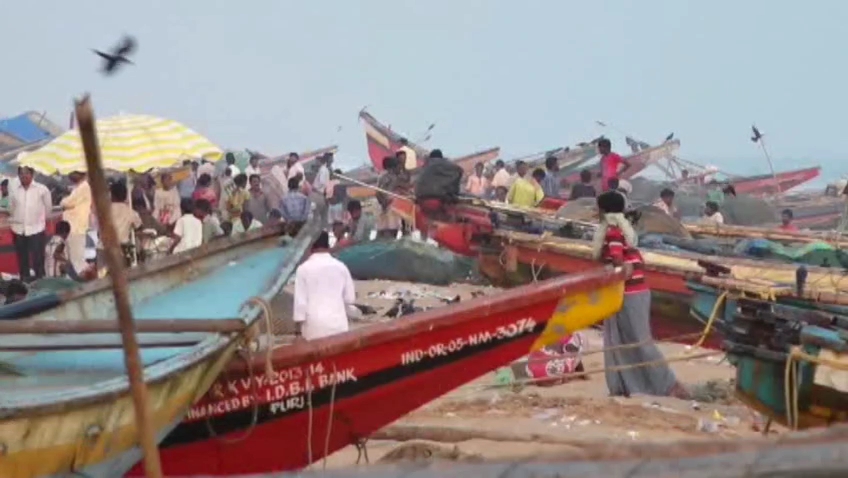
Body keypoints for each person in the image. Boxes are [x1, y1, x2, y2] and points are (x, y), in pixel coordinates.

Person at [592, 190, 688, 399]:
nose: (596, 211)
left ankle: (670, 386)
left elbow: (617, 260)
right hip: (632, 292)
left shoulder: (613, 230)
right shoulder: (622, 228)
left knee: (637, 341)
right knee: (622, 339)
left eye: (598, 207)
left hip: (628, 293)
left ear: (604, 210)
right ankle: (628, 387)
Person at [292, 231, 356, 341]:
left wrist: (298, 333)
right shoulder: (341, 267)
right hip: (338, 325)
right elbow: (350, 299)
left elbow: (300, 304)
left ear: (311, 245)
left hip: (314, 327)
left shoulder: (303, 269)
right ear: (328, 245)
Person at [9, 166, 52, 282]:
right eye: (21, 173)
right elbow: (11, 208)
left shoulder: (42, 189)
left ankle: (41, 284)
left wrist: (41, 222)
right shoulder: (14, 190)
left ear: (32, 174)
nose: (24, 176)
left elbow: (48, 210)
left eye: (27, 173)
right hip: (18, 229)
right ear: (18, 175)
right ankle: (25, 284)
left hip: (36, 229)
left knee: (38, 259)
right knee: (22, 260)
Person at [60, 171, 92, 275]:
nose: (70, 173)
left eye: (74, 171)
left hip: (76, 227)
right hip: (74, 227)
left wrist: (63, 201)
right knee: (74, 260)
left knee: (78, 261)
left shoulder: (83, 187)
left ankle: (88, 282)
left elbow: (67, 202)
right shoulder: (78, 187)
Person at [414, 149, 464, 216]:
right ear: (440, 157)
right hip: (437, 199)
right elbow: (459, 170)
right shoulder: (444, 163)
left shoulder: (424, 166)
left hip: (421, 200)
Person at [109, 181, 143, 264]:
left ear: (112, 195)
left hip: (105, 248)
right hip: (123, 249)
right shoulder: (131, 212)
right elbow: (139, 226)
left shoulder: (104, 211)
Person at [375, 156, 406, 238]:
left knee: (389, 230)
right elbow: (378, 192)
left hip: (390, 204)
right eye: (398, 166)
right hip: (388, 205)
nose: (399, 168)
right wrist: (384, 203)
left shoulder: (393, 176)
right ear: (392, 167)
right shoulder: (387, 176)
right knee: (389, 230)